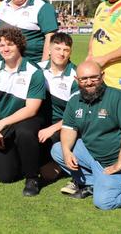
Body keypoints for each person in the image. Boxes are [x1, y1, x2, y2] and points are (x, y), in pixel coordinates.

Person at [51, 61, 121, 210]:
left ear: (103, 76)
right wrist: (67, 151)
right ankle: (94, 183)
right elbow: (68, 129)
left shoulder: (119, 97)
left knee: (104, 202)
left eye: (94, 78)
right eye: (84, 79)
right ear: (77, 80)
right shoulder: (75, 99)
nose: (89, 82)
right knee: (58, 150)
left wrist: (120, 163)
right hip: (95, 157)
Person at [0, 27, 46, 196]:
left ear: (19, 45)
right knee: (5, 176)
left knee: (25, 131)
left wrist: (1, 123)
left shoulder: (34, 71)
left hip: (26, 119)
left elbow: (32, 109)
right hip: (2, 124)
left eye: (10, 44)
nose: (5, 48)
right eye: (1, 45)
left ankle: (32, 177)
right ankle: (24, 160)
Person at [37, 32, 78, 181]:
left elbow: (76, 115)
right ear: (49, 49)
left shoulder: (76, 76)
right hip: (41, 121)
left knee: (47, 173)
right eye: (57, 48)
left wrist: (52, 129)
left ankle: (59, 163)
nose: (61, 53)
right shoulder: (37, 69)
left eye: (66, 50)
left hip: (65, 127)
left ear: (70, 52)